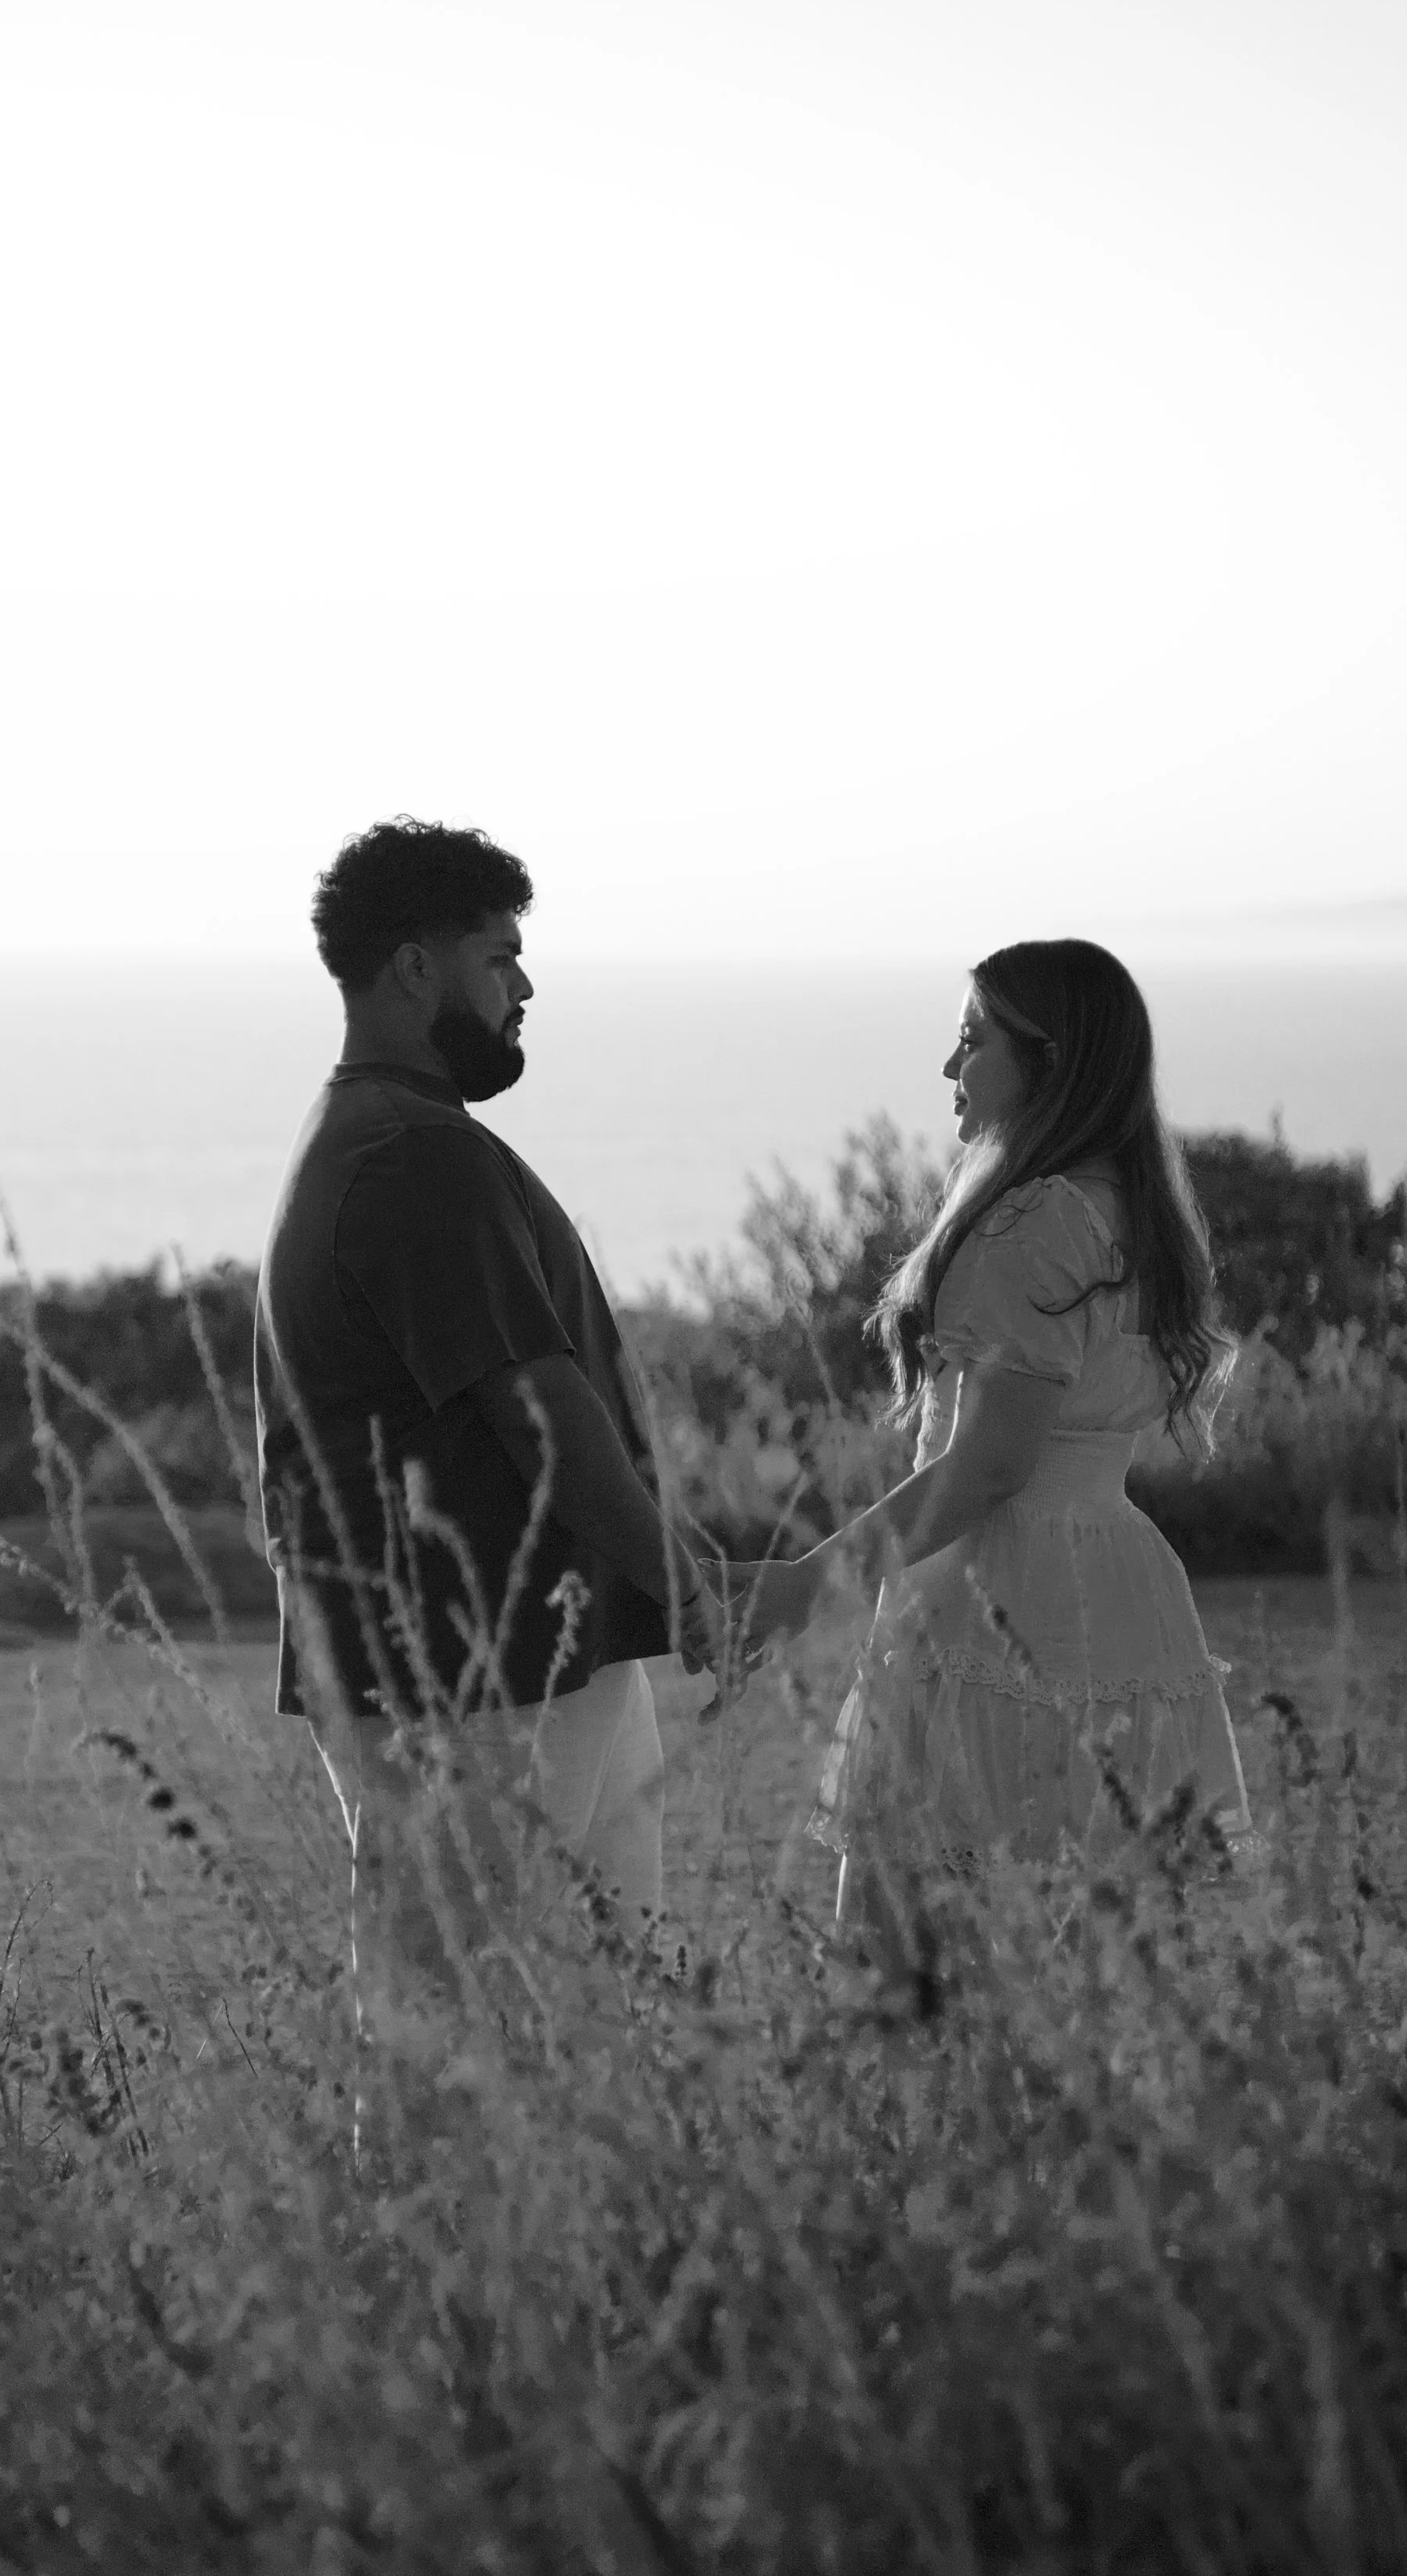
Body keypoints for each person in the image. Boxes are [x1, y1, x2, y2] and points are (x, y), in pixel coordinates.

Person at [254, 819, 722, 2007]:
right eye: (499, 956)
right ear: (417, 968)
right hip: (474, 1674)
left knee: (598, 2012)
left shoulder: (388, 1137)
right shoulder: (414, 1157)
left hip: (544, 1661)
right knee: (468, 2035)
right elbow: (540, 1413)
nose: (523, 986)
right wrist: (690, 1578)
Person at [736, 937, 1252, 1937]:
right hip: (1119, 1583)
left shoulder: (1033, 1224)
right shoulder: (1132, 1214)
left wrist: (809, 1583)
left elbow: (989, 1467)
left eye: (971, 1042)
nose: (949, 1067)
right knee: (1098, 1965)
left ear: (1046, 1065)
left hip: (995, 1598)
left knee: (903, 1975)